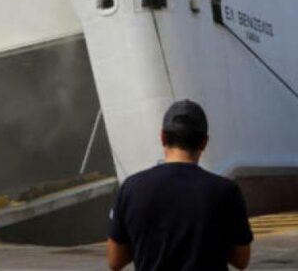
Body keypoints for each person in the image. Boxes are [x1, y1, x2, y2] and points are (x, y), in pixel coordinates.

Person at [106, 99, 254, 270]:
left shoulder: (131, 188)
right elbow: (241, 260)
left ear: (162, 137)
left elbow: (115, 260)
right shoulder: (227, 191)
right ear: (204, 142)